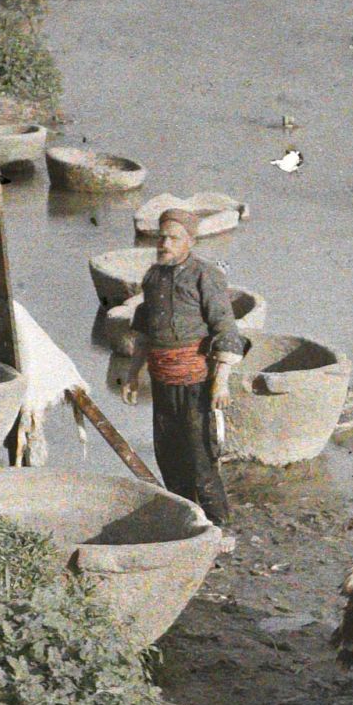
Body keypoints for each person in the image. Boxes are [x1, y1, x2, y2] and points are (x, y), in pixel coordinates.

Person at [121, 210, 244, 525]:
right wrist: (132, 375)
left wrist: (221, 382)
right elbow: (144, 332)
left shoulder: (205, 275)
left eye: (174, 238)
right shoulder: (153, 277)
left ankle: (220, 525)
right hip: (162, 380)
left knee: (201, 457)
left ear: (191, 241)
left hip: (195, 381)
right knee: (168, 454)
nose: (164, 244)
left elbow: (226, 329)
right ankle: (187, 520)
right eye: (161, 237)